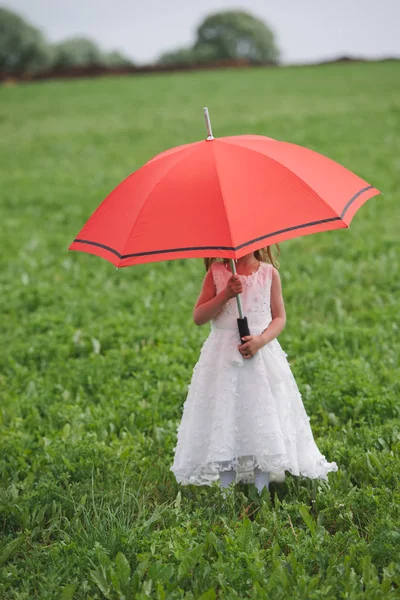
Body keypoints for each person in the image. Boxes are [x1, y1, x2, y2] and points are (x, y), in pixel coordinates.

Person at [170, 246, 338, 496]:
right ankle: (227, 489)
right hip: (223, 359)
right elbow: (199, 316)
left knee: (260, 414)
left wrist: (261, 339)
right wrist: (225, 294)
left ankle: (261, 489)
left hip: (259, 356)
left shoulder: (269, 274)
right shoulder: (216, 272)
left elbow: (279, 318)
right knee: (227, 413)